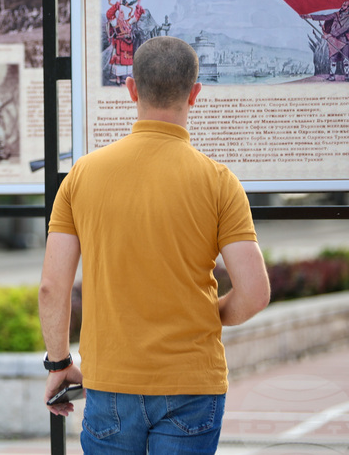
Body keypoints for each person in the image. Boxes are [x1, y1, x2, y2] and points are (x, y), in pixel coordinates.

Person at [39, 36, 270, 454]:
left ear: (132, 89)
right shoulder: (220, 182)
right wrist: (208, 314)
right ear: (194, 93)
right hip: (191, 381)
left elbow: (51, 288)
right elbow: (254, 293)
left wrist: (59, 363)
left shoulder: (82, 175)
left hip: (110, 382)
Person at [104, 0, 147, 85]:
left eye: (123, 13)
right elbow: (109, 14)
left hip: (128, 44)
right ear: (118, 14)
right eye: (121, 13)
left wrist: (138, 4)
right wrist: (117, 5)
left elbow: (135, 18)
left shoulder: (127, 22)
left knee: (127, 63)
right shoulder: (115, 22)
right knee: (118, 62)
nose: (122, 14)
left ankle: (124, 78)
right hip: (119, 44)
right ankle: (118, 79)